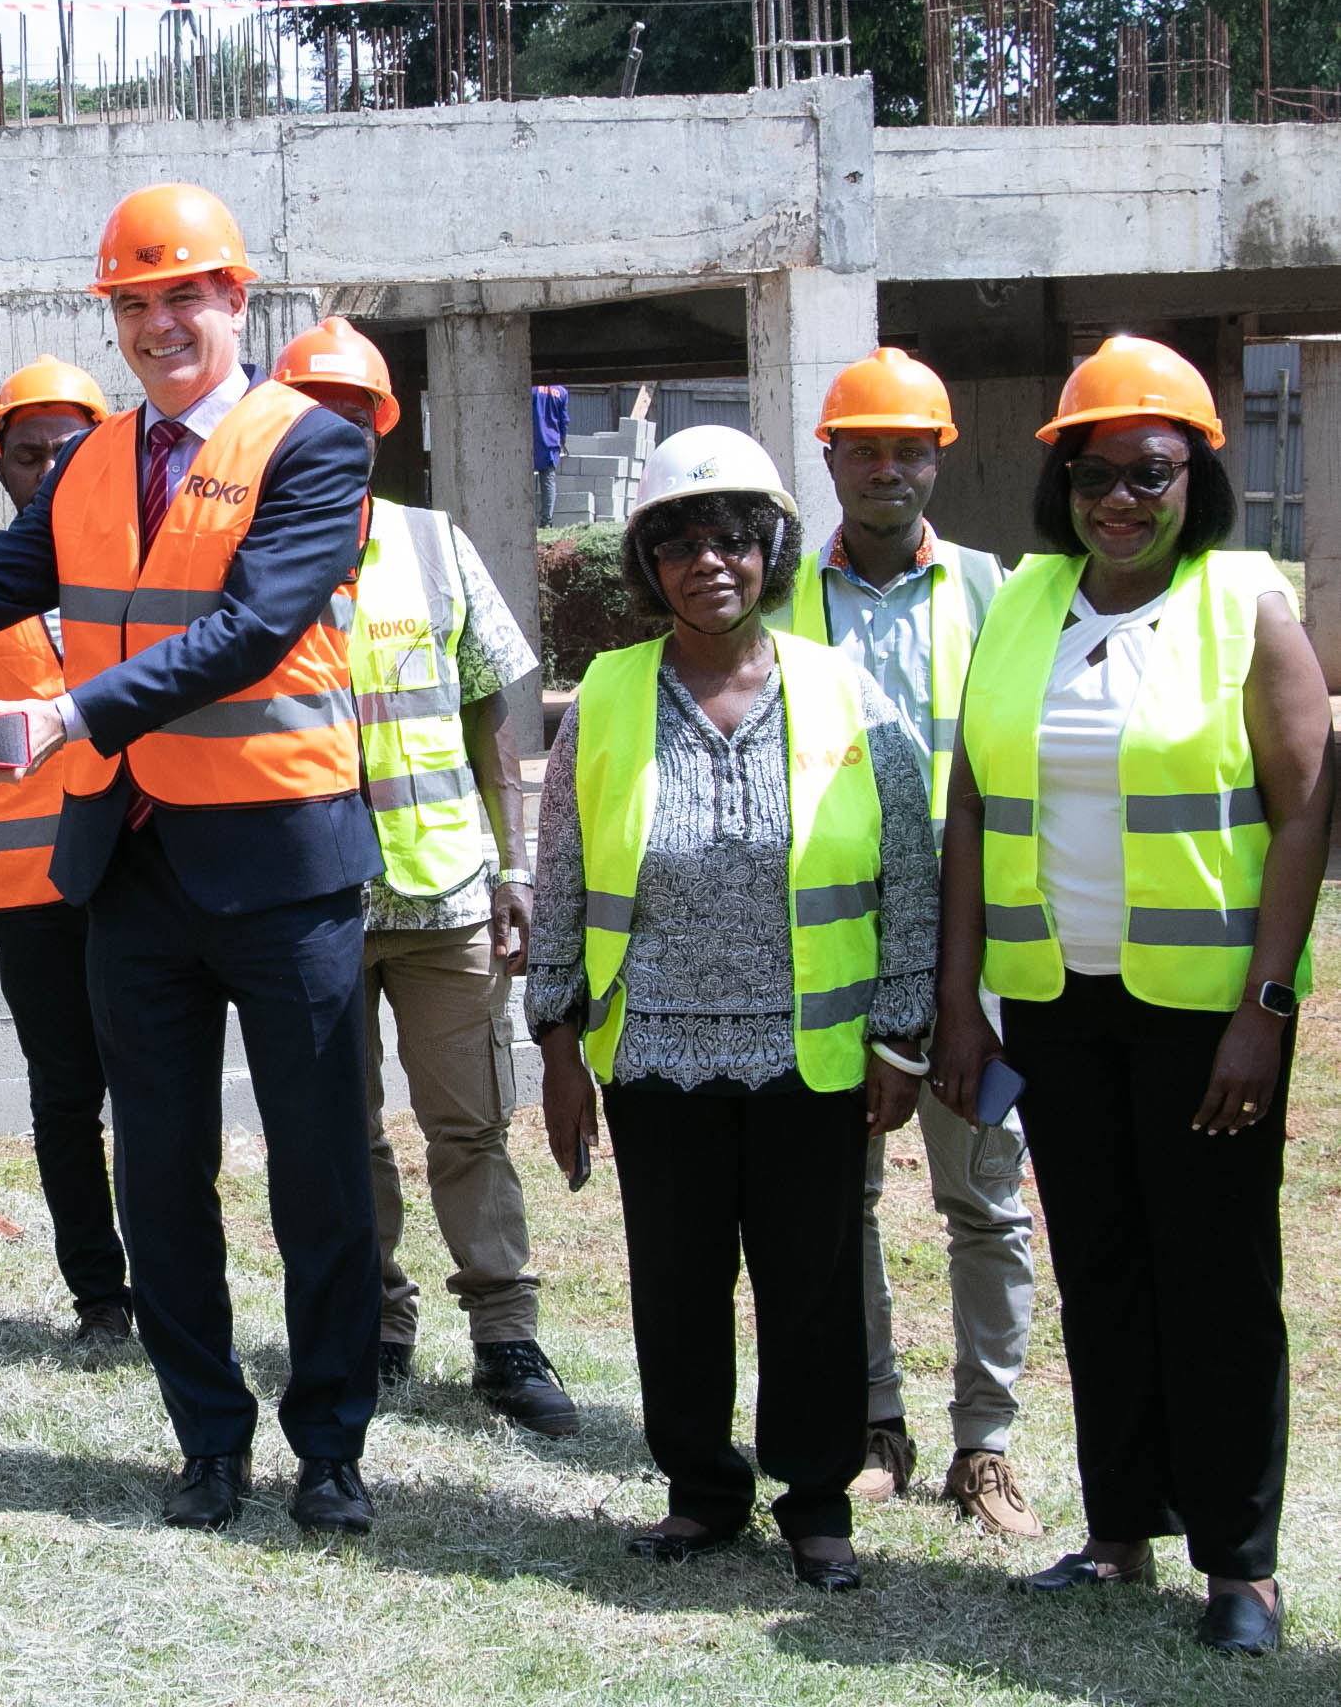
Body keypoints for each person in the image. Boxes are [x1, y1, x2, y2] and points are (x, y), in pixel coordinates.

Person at [0, 185, 388, 1536]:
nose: (158, 326)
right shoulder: (95, 460)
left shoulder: (309, 446)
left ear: (236, 303)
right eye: (133, 305)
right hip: (133, 866)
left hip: (279, 861)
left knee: (318, 1168)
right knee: (155, 1170)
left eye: (183, 299)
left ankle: (326, 1444)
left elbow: (256, 627)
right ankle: (205, 1440)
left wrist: (74, 710)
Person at [934, 336, 1330, 1657]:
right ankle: (1115, 1534)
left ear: (1192, 477)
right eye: (1093, 471)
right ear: (1060, 483)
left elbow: (1298, 818)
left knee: (1212, 1275)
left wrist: (1261, 1010)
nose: (1117, 497)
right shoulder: (1022, 604)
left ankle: (1238, 1565)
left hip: (1198, 1014)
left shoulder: (1242, 605)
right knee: (1098, 1268)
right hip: (1053, 999)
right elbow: (971, 804)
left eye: (1147, 472)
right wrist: (956, 998)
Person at [532, 425, 939, 1592]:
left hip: (806, 1050)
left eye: (734, 538)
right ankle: (703, 1489)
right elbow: (560, 877)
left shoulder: (839, 688)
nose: (709, 560)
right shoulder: (606, 697)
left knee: (810, 1284)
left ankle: (817, 1500)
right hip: (652, 1047)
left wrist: (899, 1036)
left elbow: (909, 870)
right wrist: (559, 1042)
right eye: (679, 542)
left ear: (771, 550)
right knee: (675, 1280)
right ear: (648, 563)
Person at [270, 318, 578, 1435]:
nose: (333, 434)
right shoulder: (249, 552)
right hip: (314, 899)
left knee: (472, 1126)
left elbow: (492, 704)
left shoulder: (435, 544)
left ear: (380, 430)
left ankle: (506, 1333)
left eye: (353, 418)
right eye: (311, 413)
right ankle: (375, 1322)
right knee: (339, 1134)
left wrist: (515, 864)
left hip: (445, 892)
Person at [783, 347, 1038, 1537]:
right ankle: (875, 1417)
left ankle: (986, 1444)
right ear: (830, 457)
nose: (889, 467)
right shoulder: (785, 588)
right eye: (866, 446)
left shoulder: (997, 589)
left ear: (939, 456)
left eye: (910, 447)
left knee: (986, 1201)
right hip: (832, 946)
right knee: (847, 1197)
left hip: (974, 955)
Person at [0, 356, 133, 1346]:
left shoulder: (145, 569)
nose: (48, 468)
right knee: (65, 1093)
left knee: (156, 1091)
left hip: (140, 878)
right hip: (29, 887)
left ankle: (175, 1284)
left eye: (68, 449)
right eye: (28, 452)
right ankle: (101, 1298)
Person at [533, 381, 569, 525]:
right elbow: (564, 420)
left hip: (531, 440)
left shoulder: (532, 389)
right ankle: (546, 522)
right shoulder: (561, 392)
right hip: (551, 442)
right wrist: (562, 440)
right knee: (548, 482)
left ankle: (523, 518)